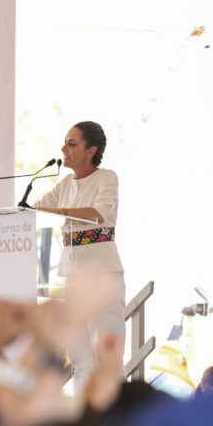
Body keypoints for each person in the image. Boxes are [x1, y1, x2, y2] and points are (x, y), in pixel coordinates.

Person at [34, 121, 125, 390]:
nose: (64, 148)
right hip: (72, 278)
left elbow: (99, 214)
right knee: (81, 358)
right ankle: (85, 413)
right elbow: (36, 208)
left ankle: (118, 413)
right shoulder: (65, 184)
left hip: (102, 275)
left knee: (107, 357)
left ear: (91, 150)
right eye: (65, 142)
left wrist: (60, 212)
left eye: (72, 144)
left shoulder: (106, 177)